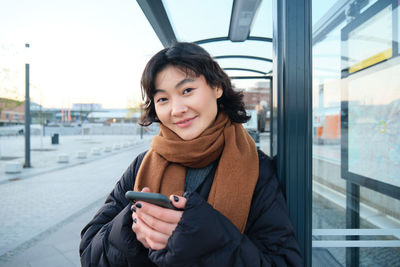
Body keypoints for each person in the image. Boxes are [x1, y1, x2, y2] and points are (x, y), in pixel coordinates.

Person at [79, 42, 302, 266]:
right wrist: (131, 226)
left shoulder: (257, 168)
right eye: (163, 99)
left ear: (217, 87)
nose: (177, 109)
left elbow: (283, 261)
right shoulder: (142, 164)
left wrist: (203, 239)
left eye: (187, 91)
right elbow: (89, 253)